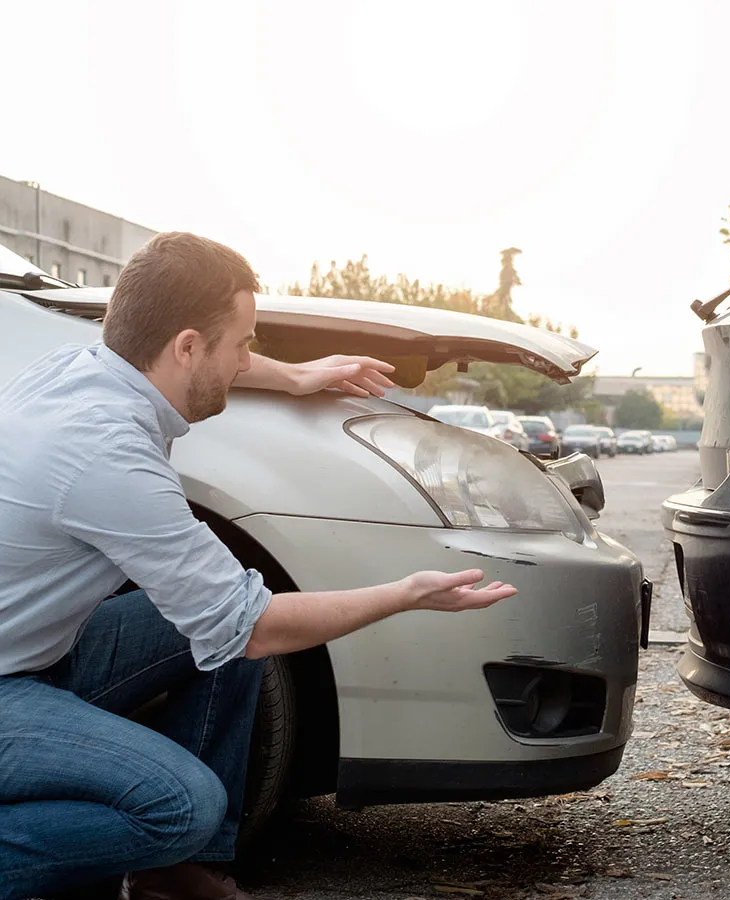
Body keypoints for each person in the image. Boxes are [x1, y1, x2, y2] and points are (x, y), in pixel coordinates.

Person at [0, 232, 518, 900]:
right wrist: (403, 593)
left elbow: (228, 628)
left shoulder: (81, 369)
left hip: (37, 657)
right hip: (10, 688)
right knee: (182, 804)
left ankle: (173, 878)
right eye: (243, 343)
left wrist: (298, 375)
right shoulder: (104, 452)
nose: (250, 357)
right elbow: (255, 627)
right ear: (187, 346)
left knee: (216, 632)